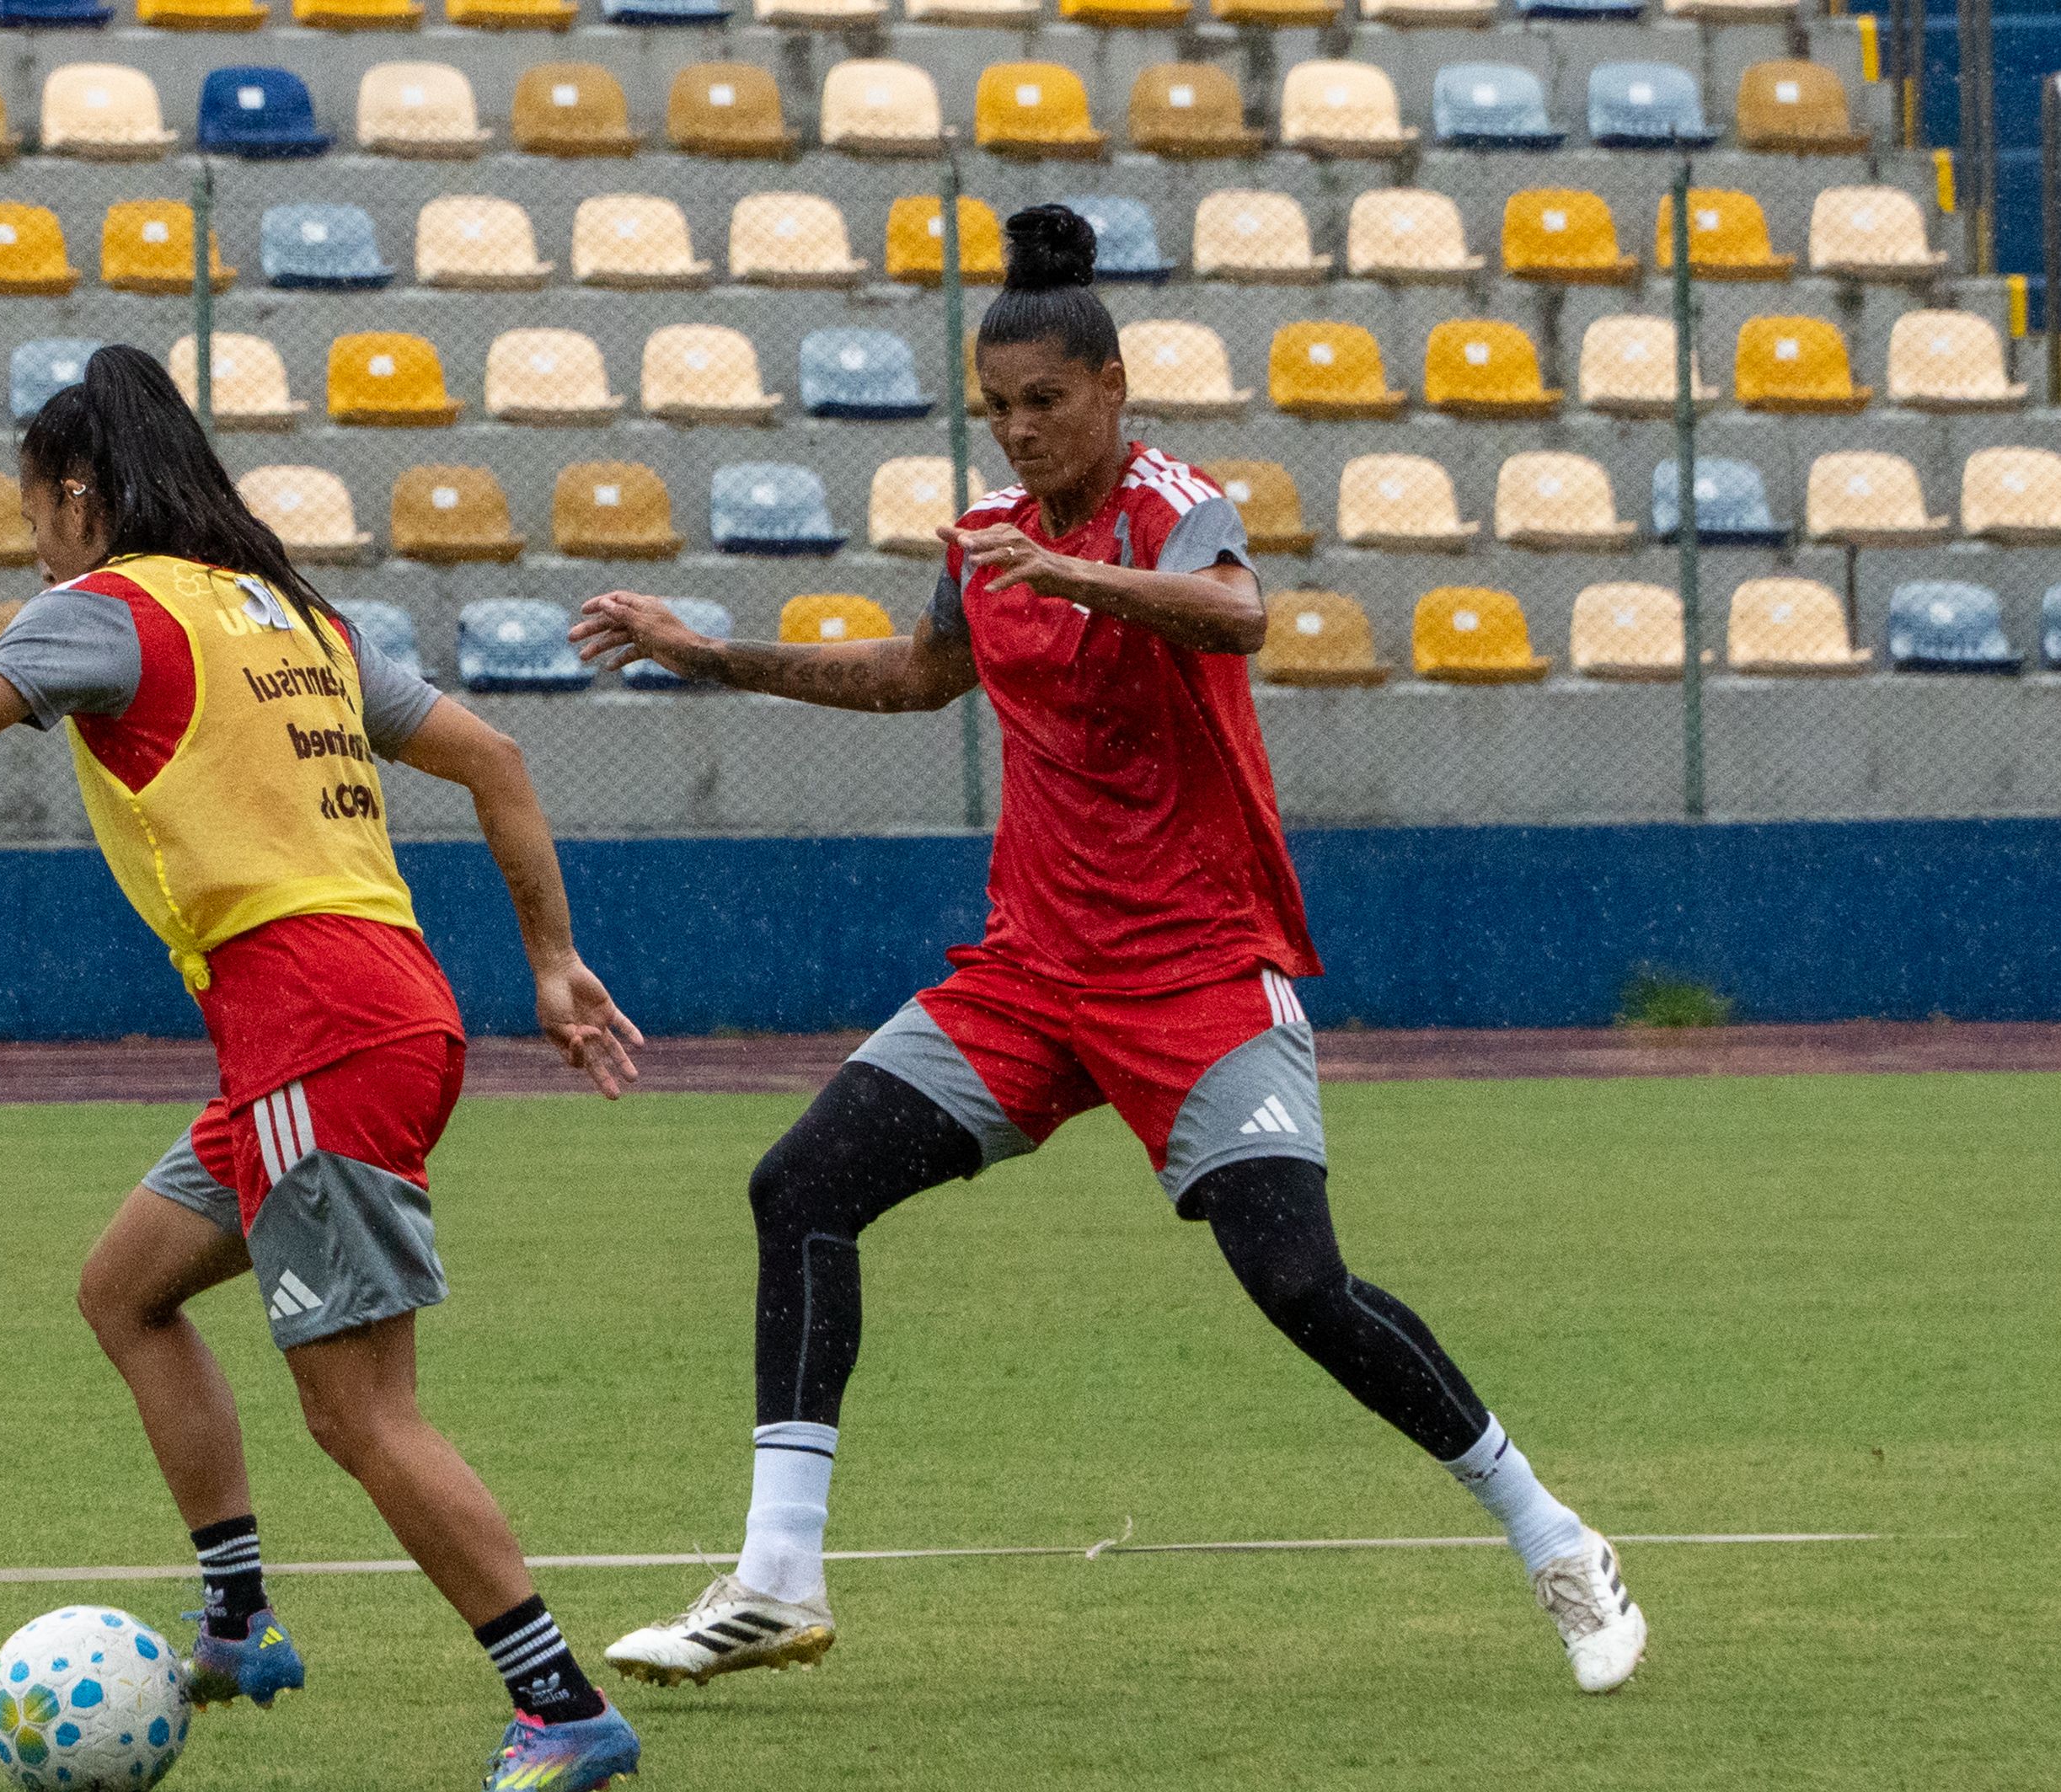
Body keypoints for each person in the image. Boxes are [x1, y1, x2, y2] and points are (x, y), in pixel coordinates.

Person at [576, 206, 1647, 1698]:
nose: (1016, 433)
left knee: (1294, 1283)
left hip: (1198, 973)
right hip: (1032, 977)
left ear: (1111, 390)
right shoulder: (985, 541)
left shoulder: (1169, 504)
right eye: (995, 409)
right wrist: (710, 652)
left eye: (1044, 404)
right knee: (801, 1188)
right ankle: (775, 1580)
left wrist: (1081, 580)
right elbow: (911, 677)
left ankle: (1555, 1539)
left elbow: (1238, 613)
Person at [0, 344, 650, 1792]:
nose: (33, 542)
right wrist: (549, 963)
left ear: (77, 495)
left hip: (314, 1034)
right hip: (372, 1014)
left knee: (359, 1411)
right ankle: (235, 1620)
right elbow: (501, 758)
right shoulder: (296, 620)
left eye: (33, 512)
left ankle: (559, 1707)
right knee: (126, 1287)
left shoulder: (108, 612)